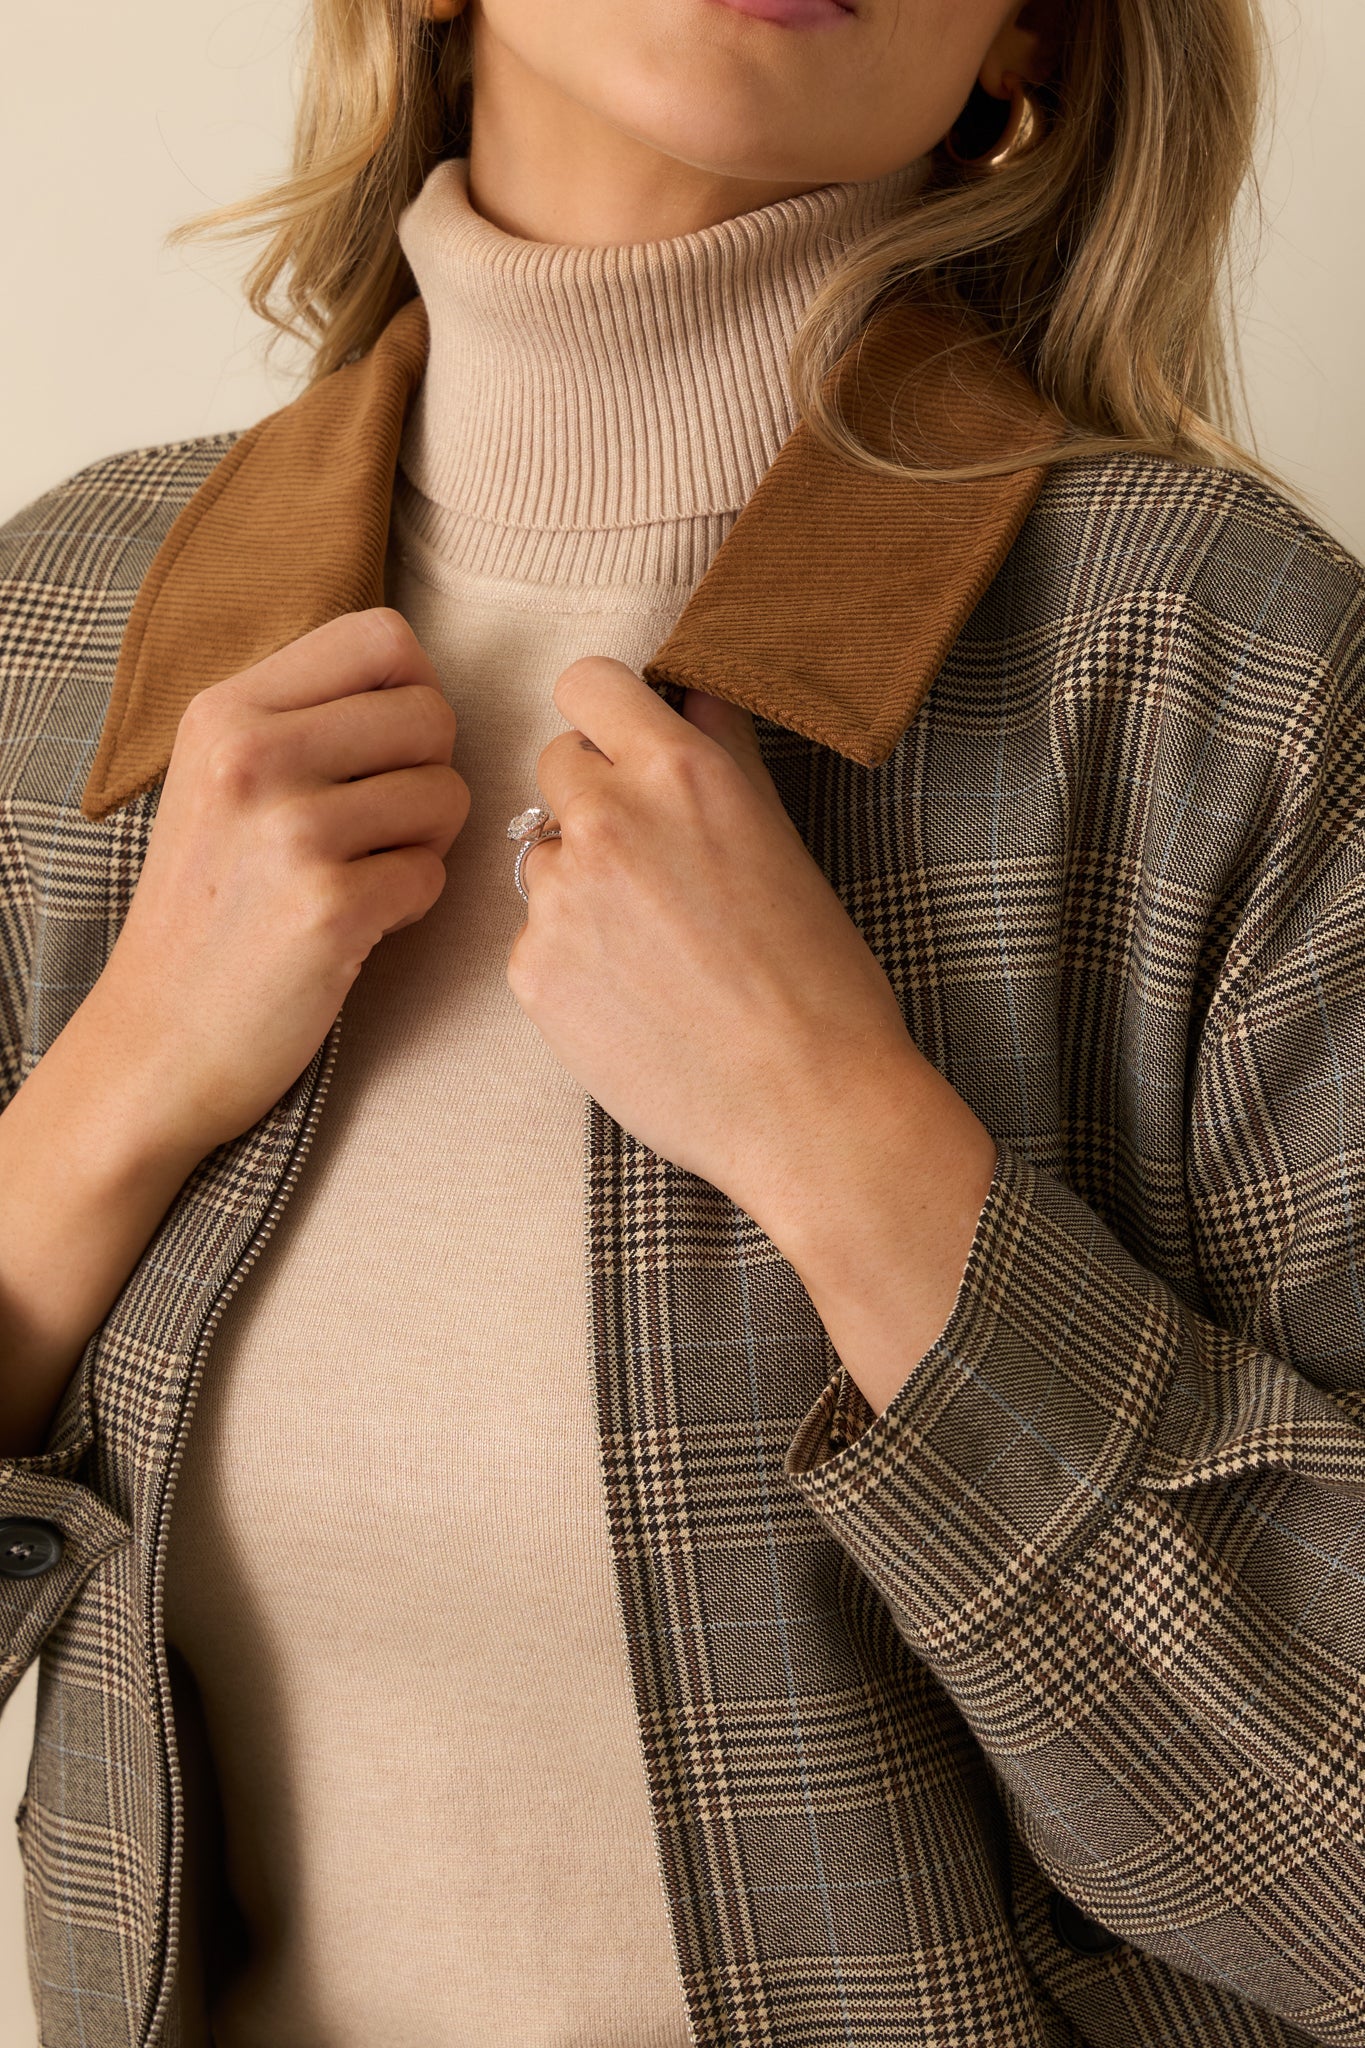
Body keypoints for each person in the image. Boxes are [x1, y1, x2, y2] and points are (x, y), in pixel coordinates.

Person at [1, 0, 1363, 2042]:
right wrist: (112, 1094)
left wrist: (840, 1132)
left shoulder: (1225, 681)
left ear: (1033, 40)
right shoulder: (67, 642)